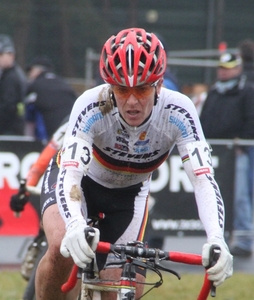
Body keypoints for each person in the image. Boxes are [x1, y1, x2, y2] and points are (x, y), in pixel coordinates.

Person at [35, 28, 233, 300]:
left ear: (159, 85)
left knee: (125, 289)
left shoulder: (179, 111)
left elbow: (203, 179)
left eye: (141, 89)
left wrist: (216, 238)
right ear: (109, 86)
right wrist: (74, 226)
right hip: (79, 184)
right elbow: (70, 175)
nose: (131, 101)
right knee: (60, 248)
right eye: (121, 89)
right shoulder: (91, 104)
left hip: (129, 195)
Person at [200, 52, 254, 258]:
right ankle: (217, 237)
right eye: (221, 67)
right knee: (212, 193)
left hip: (236, 152)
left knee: (239, 196)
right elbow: (204, 119)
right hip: (214, 152)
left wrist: (241, 143)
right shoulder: (213, 91)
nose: (223, 71)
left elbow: (251, 119)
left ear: (238, 68)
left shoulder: (247, 91)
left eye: (228, 67)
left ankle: (244, 238)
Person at [24, 56, 76, 145]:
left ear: (38, 70)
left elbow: (29, 116)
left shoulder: (35, 86)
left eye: (31, 70)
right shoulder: (63, 83)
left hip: (49, 138)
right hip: (69, 131)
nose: (29, 74)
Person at [0, 34, 27, 135]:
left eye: (1, 54)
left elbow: (7, 107)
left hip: (10, 130)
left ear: (11, 55)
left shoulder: (11, 78)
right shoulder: (9, 74)